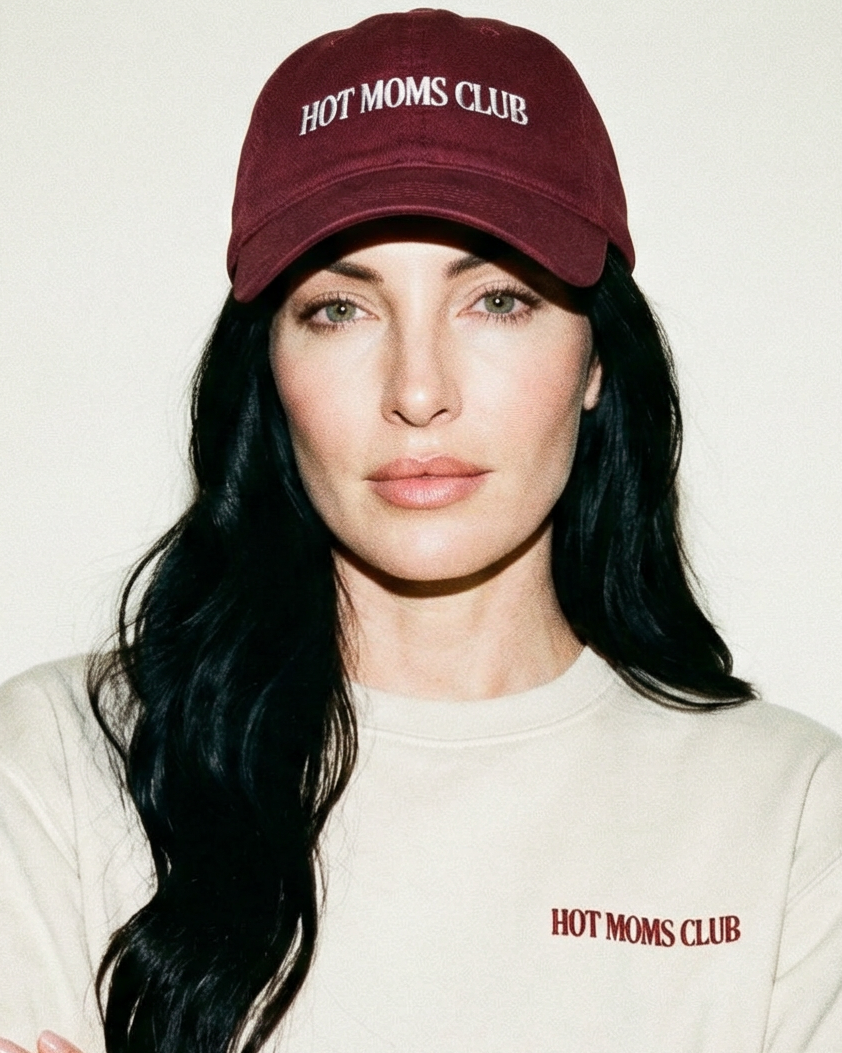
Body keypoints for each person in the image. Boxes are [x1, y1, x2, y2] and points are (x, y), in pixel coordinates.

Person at [1, 9, 840, 1053]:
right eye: (338, 310)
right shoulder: (58, 768)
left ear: (592, 361)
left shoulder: (795, 816)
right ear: (266, 369)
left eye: (495, 299)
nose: (416, 390)